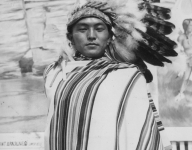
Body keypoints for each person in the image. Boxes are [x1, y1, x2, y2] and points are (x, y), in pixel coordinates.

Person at [43, 1, 177, 150]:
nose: (91, 35)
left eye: (99, 29)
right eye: (82, 29)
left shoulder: (128, 75)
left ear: (109, 37)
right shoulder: (54, 74)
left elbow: (144, 127)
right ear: (70, 36)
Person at [176, 19, 192, 101]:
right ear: (185, 26)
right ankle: (181, 93)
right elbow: (177, 50)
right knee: (186, 77)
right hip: (187, 60)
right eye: (190, 25)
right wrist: (183, 56)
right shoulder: (181, 37)